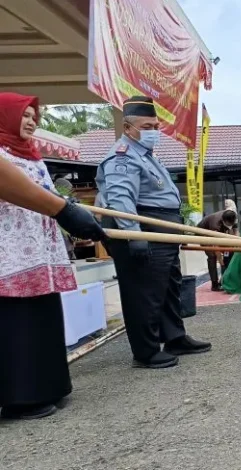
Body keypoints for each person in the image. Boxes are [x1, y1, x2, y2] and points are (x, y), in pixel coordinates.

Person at [0, 92, 105, 420]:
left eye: (34, 116)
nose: (31, 121)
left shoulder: (32, 155)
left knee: (43, 317)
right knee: (17, 322)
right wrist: (64, 210)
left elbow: (48, 196)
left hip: (41, 250)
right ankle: (20, 397)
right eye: (24, 115)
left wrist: (71, 210)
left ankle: (48, 386)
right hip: (11, 252)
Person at [96, 95, 211, 369]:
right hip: (142, 229)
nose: (153, 132)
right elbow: (120, 198)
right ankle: (145, 351)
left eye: (155, 126)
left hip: (162, 230)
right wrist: (134, 236)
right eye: (147, 126)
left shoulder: (145, 155)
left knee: (168, 286)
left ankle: (174, 337)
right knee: (144, 291)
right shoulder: (121, 157)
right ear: (127, 128)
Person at [197, 209, 238, 291]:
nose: (230, 226)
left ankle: (227, 279)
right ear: (223, 221)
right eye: (228, 224)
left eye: (231, 224)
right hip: (204, 233)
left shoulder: (233, 217)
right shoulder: (215, 225)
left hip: (219, 231)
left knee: (230, 251)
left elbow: (236, 233)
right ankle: (215, 284)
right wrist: (222, 264)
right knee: (212, 256)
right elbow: (216, 248)